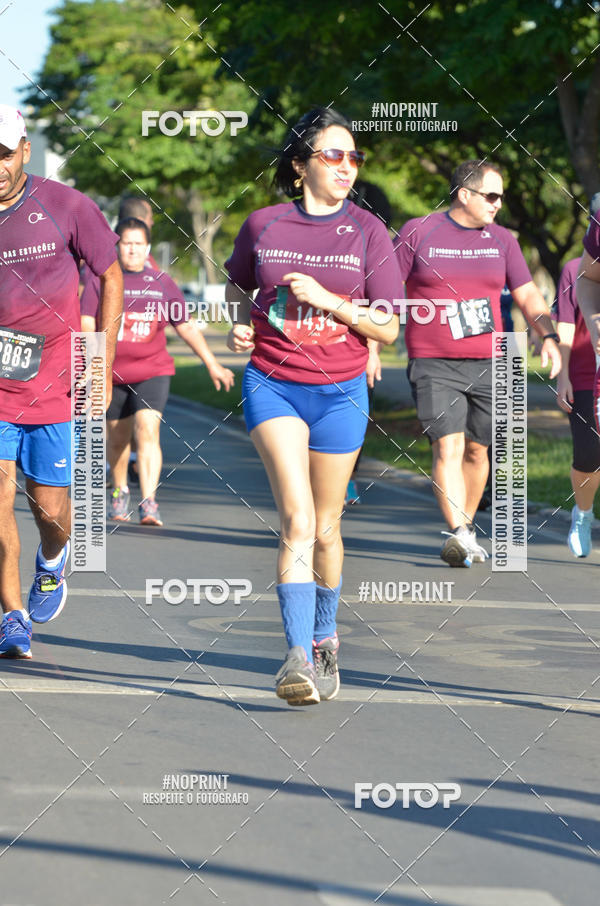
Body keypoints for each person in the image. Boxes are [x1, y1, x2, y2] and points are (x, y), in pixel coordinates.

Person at [225, 107, 401, 705]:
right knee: (297, 519)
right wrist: (243, 326)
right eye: (333, 155)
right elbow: (239, 283)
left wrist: (331, 301)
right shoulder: (263, 224)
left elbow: (388, 328)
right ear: (300, 165)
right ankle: (296, 656)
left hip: (342, 390)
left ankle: (325, 635)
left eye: (354, 157)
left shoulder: (370, 232)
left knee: (327, 527)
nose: (346, 166)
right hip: (272, 382)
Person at [394, 159, 561, 567]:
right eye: (491, 195)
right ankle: (459, 532)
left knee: (477, 450)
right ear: (463, 194)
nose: (498, 204)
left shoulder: (503, 239)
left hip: (495, 358)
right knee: (447, 445)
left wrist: (549, 336)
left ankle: (465, 530)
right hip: (434, 359)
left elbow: (526, 294)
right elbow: (385, 287)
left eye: (500, 196)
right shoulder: (419, 231)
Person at [0, 104, 122, 659]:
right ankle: (11, 617)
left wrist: (100, 359)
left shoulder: (66, 206)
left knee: (50, 512)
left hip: (54, 385)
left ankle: (52, 564)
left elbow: (110, 273)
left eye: (4, 153)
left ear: (24, 149)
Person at [81, 217, 234, 527]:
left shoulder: (161, 282)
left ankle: (149, 500)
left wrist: (212, 363)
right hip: (111, 376)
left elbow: (186, 326)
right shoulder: (102, 280)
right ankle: (119, 489)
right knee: (116, 439)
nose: (133, 250)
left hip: (153, 370)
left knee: (147, 430)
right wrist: (92, 366)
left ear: (147, 248)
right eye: (127, 244)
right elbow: (86, 323)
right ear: (117, 246)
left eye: (139, 244)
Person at [555, 256, 599, 556]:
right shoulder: (573, 269)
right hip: (585, 376)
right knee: (588, 459)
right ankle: (583, 514)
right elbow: (566, 325)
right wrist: (562, 376)